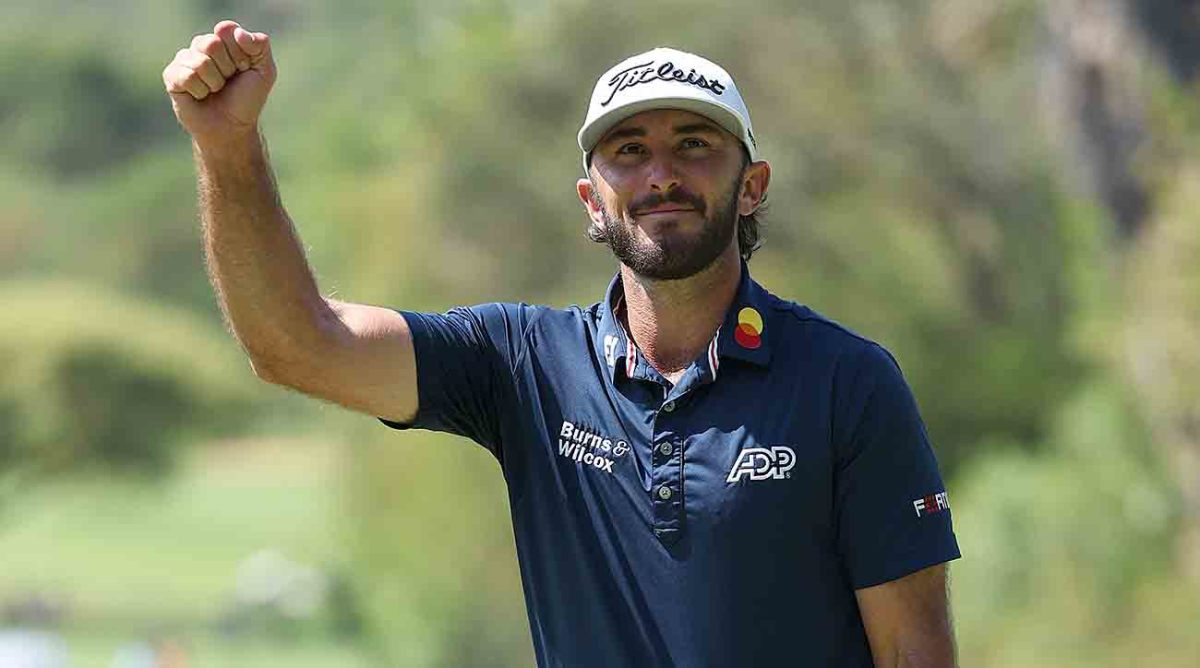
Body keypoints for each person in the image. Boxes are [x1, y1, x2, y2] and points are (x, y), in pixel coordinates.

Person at [163, 20, 962, 667]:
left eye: (694, 144)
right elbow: (298, 345)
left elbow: (913, 654)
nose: (660, 175)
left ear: (751, 185)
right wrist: (227, 148)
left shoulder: (846, 381)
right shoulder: (523, 365)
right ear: (592, 201)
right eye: (629, 152)